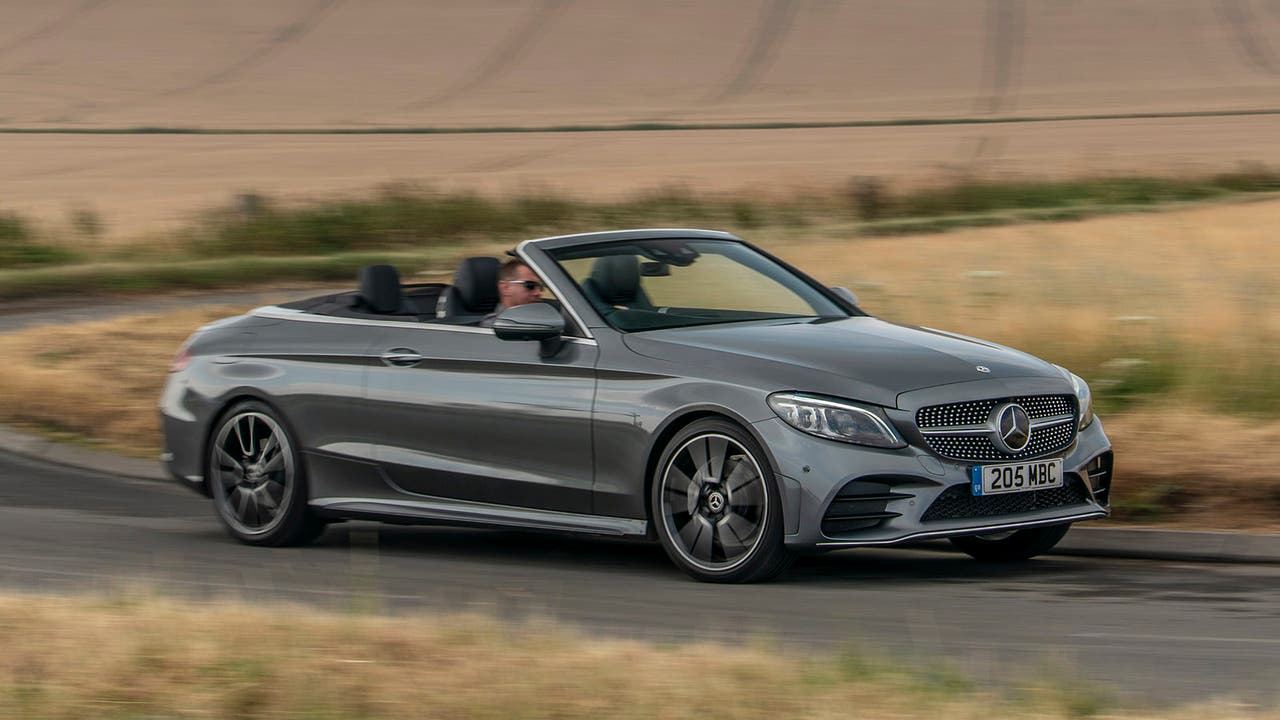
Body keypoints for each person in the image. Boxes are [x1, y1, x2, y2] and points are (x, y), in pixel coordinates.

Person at [479, 259, 544, 327]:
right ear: (505, 288)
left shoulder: (541, 317)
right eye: (530, 285)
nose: (538, 292)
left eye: (541, 287)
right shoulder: (495, 326)